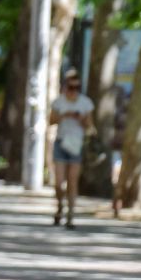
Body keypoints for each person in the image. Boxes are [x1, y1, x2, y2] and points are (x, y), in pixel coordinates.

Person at [48, 71, 93, 228]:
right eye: (71, 87)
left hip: (76, 144)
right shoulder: (58, 102)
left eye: (77, 87)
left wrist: (81, 119)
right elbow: (51, 121)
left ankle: (71, 214)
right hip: (61, 143)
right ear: (65, 86)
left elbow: (90, 126)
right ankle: (60, 206)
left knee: (73, 181)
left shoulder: (85, 103)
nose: (74, 90)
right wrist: (64, 115)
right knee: (59, 182)